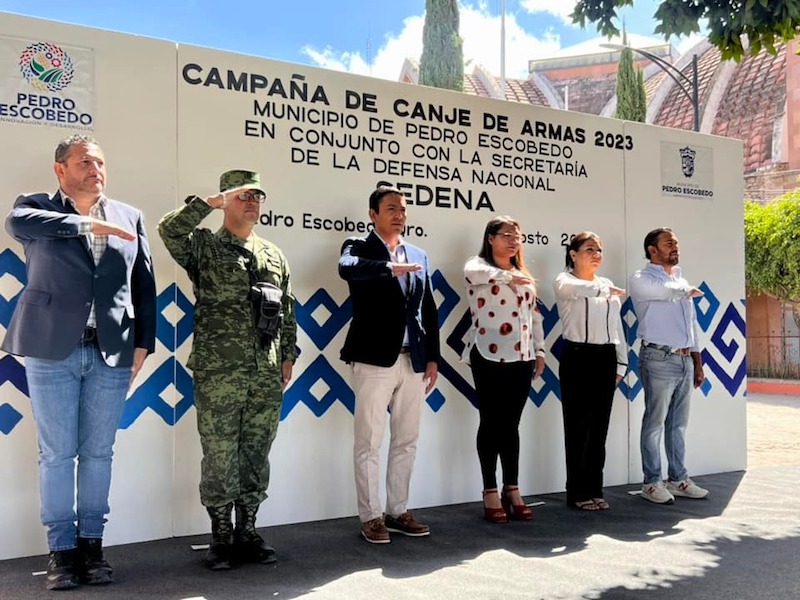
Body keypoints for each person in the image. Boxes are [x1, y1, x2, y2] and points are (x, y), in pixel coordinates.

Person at [1, 134, 157, 590]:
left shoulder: (130, 216)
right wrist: (89, 226)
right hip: (51, 349)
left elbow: (142, 285)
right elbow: (18, 222)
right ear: (60, 170)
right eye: (85, 162)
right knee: (56, 454)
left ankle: (92, 547)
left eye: (100, 162)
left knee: (98, 453)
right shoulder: (35, 208)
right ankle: (61, 552)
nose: (96, 169)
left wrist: (143, 343)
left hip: (112, 351)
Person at [157, 170, 297, 569]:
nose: (252, 202)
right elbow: (169, 230)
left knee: (256, 451)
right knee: (219, 454)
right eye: (243, 196)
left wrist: (287, 354)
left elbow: (287, 308)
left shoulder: (273, 254)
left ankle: (248, 530)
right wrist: (209, 203)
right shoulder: (204, 247)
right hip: (220, 373)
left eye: (258, 196)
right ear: (227, 199)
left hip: (265, 372)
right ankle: (220, 535)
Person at [338, 184, 440, 544]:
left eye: (403, 209)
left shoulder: (419, 254)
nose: (399, 214)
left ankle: (398, 510)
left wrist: (432, 357)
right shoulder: (358, 246)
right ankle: (371, 516)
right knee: (369, 442)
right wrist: (389, 268)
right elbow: (346, 268)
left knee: (407, 440)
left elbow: (428, 308)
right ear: (373, 215)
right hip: (373, 360)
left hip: (412, 361)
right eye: (392, 208)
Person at [462, 216, 545, 523]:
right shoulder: (478, 266)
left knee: (511, 424)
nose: (513, 241)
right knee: (491, 421)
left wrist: (540, 350)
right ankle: (489, 490)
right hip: (489, 353)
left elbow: (534, 316)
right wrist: (508, 279)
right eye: (506, 235)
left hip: (521, 357)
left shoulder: (523, 273)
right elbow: (474, 272)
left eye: (517, 236)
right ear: (491, 238)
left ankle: (513, 487)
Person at [629, 227, 708, 504]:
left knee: (678, 425)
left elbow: (692, 326)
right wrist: (686, 289)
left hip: (685, 359)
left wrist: (697, 362)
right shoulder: (641, 279)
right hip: (658, 358)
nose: (675, 247)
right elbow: (665, 292)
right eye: (668, 243)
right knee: (655, 423)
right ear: (652, 249)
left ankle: (678, 479)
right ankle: (651, 482)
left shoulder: (680, 279)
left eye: (676, 242)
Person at [554, 232, 627, 511]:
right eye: (589, 249)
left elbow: (616, 327)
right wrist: (601, 291)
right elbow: (572, 290)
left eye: (599, 249)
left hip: (605, 357)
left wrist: (621, 363)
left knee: (599, 429)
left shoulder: (607, 284)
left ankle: (596, 489)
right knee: (577, 427)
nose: (596, 254)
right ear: (573, 254)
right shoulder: (565, 280)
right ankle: (576, 492)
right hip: (577, 356)